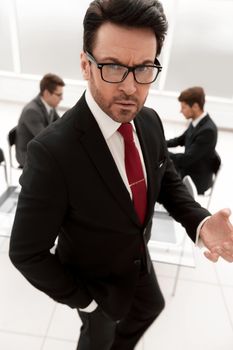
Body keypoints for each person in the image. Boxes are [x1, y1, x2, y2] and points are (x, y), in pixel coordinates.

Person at [9, 1, 233, 350]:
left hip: (137, 264)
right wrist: (85, 301)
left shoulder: (150, 121)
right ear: (85, 64)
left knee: (152, 306)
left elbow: (167, 180)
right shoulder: (52, 152)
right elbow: (25, 252)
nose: (131, 87)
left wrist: (200, 223)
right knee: (99, 338)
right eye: (113, 67)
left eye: (144, 68)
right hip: (94, 284)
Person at [166, 86, 220, 194]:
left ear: (195, 106)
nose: (181, 111)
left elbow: (186, 160)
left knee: (161, 177)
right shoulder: (196, 122)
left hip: (197, 179)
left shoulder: (208, 131)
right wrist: (159, 141)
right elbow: (179, 140)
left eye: (184, 107)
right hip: (189, 168)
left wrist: (161, 151)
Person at [15, 73, 65, 167]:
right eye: (59, 95)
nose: (62, 98)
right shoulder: (31, 111)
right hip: (27, 155)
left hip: (40, 149)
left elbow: (61, 125)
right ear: (46, 93)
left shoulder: (50, 106)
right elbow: (44, 139)